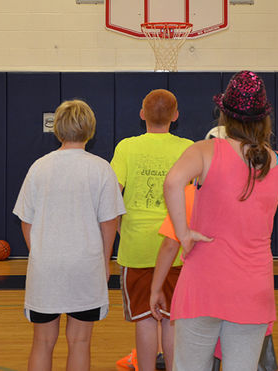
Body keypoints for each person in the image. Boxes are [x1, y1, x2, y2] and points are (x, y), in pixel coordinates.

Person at [163, 71, 278, 371]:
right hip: (253, 287)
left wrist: (184, 233)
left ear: (225, 115)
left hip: (205, 282)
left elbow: (172, 183)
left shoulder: (205, 150)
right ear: (264, 119)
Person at [150, 125, 278, 371]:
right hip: (252, 292)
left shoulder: (190, 193)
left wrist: (183, 237)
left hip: (203, 290)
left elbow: (169, 243)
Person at [13, 99, 125, 371]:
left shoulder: (39, 167)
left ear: (58, 129)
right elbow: (110, 222)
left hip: (46, 267)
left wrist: (39, 252)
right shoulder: (101, 169)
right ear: (90, 130)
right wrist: (105, 260)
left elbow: (26, 221)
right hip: (86, 266)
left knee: (42, 342)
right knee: (80, 342)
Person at [111, 89, 193, 371]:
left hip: (136, 248)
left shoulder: (126, 147)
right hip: (177, 250)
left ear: (142, 114)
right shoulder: (188, 148)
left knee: (145, 320)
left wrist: (121, 227)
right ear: (176, 115)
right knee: (172, 320)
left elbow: (111, 195)